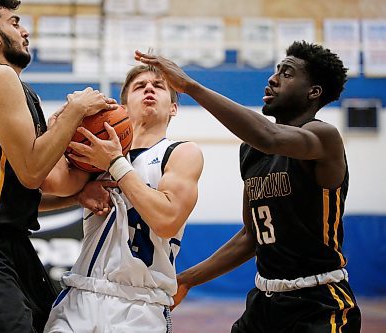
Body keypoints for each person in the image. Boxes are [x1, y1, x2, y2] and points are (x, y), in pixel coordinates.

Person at [135, 41, 362, 332]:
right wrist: (186, 279)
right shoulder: (252, 150)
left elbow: (268, 135)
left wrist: (190, 86)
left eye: (287, 73)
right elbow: (250, 236)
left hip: (319, 303)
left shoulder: (324, 137)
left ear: (313, 92)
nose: (273, 78)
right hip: (264, 304)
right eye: (277, 70)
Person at [0, 1, 117, 332]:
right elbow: (33, 171)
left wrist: (77, 194)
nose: (24, 31)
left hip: (11, 242)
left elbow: (45, 183)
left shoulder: (19, 90)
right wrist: (75, 111)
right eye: (15, 22)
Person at [43, 64, 204, 333]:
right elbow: (46, 187)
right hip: (82, 295)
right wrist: (60, 127)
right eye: (140, 86)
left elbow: (166, 221)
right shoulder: (94, 154)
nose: (149, 89)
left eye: (159, 86)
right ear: (124, 107)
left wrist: (116, 163)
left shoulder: (181, 153)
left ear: (173, 108)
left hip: (141, 306)